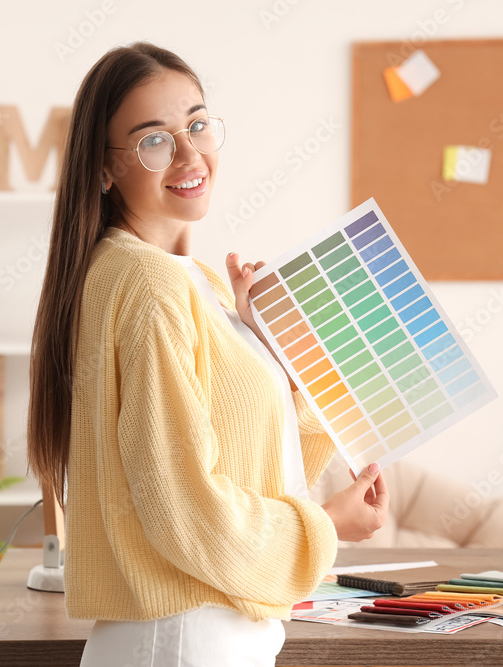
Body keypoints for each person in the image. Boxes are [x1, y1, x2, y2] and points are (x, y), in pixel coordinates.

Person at [27, 41, 389, 667]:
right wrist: (328, 525)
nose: (191, 154)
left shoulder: (191, 280)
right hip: (183, 642)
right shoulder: (149, 283)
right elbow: (182, 507)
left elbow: (260, 462)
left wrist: (265, 345)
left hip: (204, 637)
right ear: (105, 169)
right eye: (155, 139)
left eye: (197, 124)